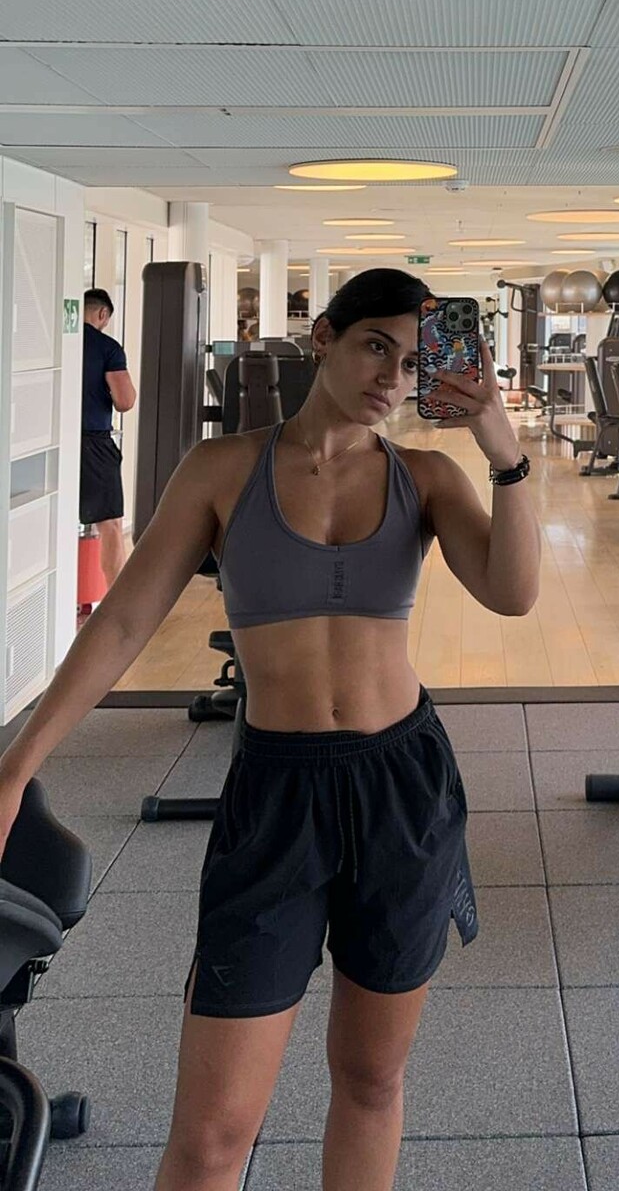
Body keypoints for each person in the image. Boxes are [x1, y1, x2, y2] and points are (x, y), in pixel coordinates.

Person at [0, 267, 540, 1191]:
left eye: (413, 364)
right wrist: (16, 768)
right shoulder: (223, 469)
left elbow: (513, 592)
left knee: (371, 1080)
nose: (392, 378)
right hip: (278, 792)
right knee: (214, 1132)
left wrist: (505, 450)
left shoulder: (425, 477)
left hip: (401, 786)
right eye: (375, 347)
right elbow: (123, 623)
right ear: (324, 337)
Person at [81, 287, 137, 589]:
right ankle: (117, 596)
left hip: (57, 441)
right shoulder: (107, 347)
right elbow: (125, 401)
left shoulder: (57, 340)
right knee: (111, 523)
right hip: (93, 442)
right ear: (102, 313)